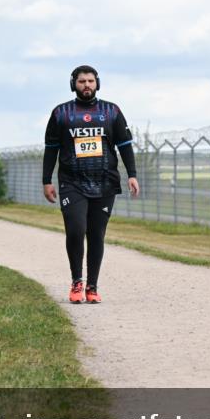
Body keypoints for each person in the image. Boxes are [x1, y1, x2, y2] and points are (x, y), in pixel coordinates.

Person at [43, 64, 139, 304]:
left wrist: (132, 174)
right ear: (73, 84)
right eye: (81, 81)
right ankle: (77, 281)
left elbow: (125, 146)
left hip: (104, 181)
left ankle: (92, 287)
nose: (86, 85)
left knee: (96, 234)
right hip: (71, 182)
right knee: (76, 230)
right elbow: (51, 149)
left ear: (97, 83)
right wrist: (46, 180)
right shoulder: (61, 113)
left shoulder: (111, 111)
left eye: (90, 81)